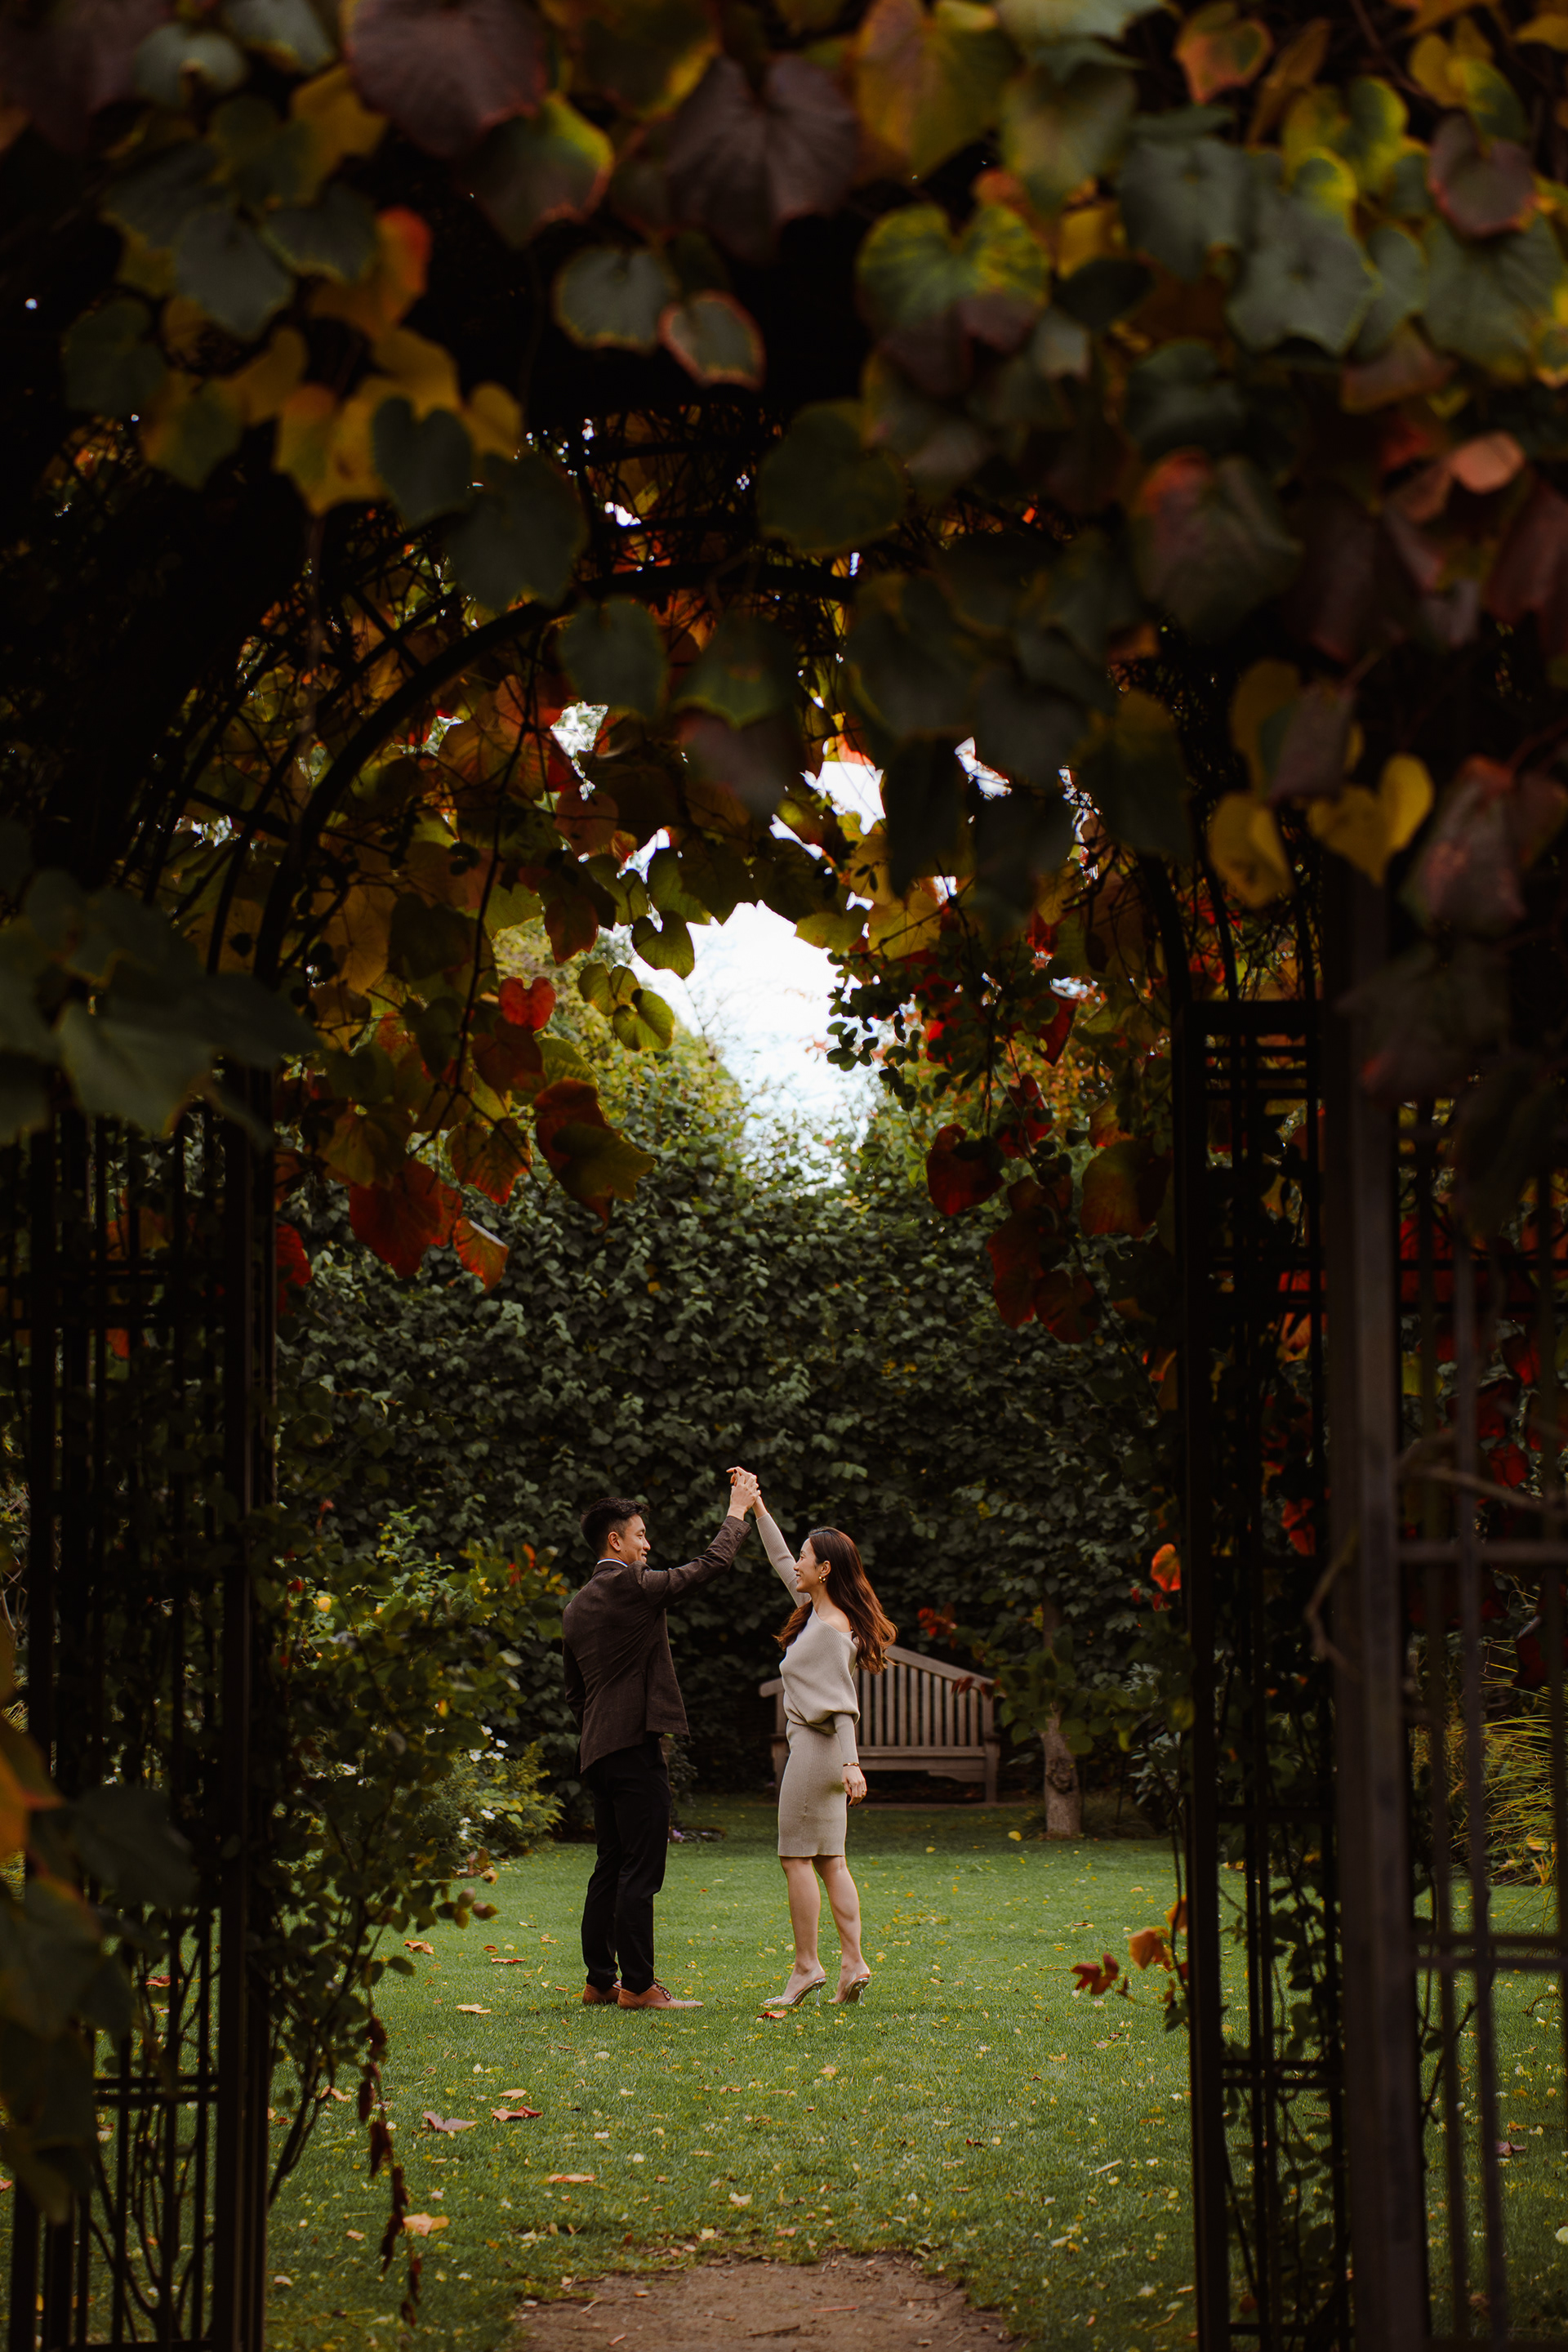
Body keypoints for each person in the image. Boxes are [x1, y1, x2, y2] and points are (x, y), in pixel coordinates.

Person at [563, 1473, 759, 2010]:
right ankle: (639, 1986)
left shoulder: (576, 1605)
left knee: (609, 1865)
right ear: (615, 1541)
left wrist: (601, 1729)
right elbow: (709, 1566)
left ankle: (600, 1981)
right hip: (633, 1748)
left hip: (597, 1752)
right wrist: (737, 1510)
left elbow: (575, 1693)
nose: (648, 1545)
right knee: (640, 1870)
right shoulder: (630, 1584)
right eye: (641, 1535)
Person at [733, 1472, 895, 2011]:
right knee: (832, 1861)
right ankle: (853, 1963)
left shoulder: (826, 1631)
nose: (797, 1564)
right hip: (826, 1755)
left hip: (816, 1753)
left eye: (806, 1558)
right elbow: (781, 1559)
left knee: (795, 1859)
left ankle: (807, 1966)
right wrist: (758, 1508)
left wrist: (852, 1764)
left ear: (824, 1570)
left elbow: (843, 1705)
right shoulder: (822, 1614)